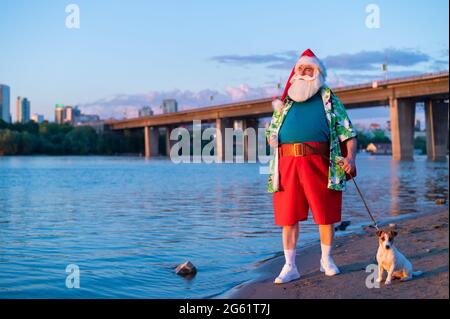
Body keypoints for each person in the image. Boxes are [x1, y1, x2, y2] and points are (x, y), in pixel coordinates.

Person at [265, 49, 357, 284]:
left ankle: (326, 260)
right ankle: (290, 266)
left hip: (320, 163)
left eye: (309, 69)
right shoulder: (285, 102)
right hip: (286, 165)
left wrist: (351, 158)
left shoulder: (328, 98)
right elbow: (272, 132)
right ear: (295, 73)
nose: (305, 73)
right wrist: (271, 137)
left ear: (318, 73)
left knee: (325, 214)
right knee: (288, 216)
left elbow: (348, 132)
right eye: (301, 69)